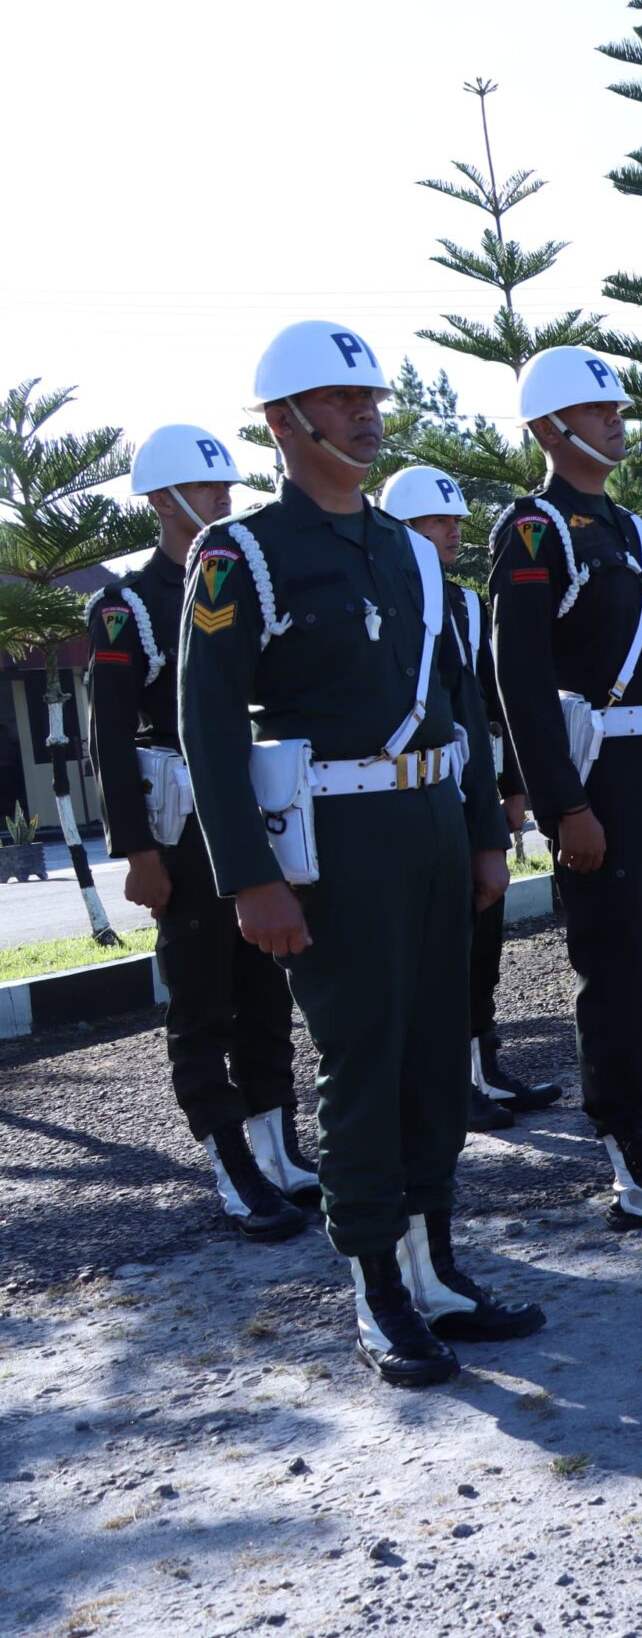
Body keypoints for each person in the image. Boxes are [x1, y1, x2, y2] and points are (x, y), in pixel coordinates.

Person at [181, 320, 534, 1387]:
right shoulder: (240, 555)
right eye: (340, 400)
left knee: (436, 1055)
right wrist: (251, 877)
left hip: (431, 831)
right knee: (365, 1063)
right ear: (286, 423)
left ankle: (437, 1271)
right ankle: (378, 1288)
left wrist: (481, 836)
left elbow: (459, 708)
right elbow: (208, 730)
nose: (366, 412)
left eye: (370, 395)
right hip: (334, 848)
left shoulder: (406, 553)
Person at [487, 345, 642, 1237]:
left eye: (617, 410)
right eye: (598, 412)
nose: (616, 422)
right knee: (615, 973)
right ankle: (630, 1163)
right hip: (599, 783)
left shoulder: (632, 529)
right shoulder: (531, 530)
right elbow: (517, 680)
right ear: (551, 427)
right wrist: (563, 805)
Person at [90, 424, 309, 1241]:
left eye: (225, 488)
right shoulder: (126, 606)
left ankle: (277, 1147)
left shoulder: (235, 582)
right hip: (178, 829)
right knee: (202, 1001)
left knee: (266, 990)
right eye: (207, 489)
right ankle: (230, 1162)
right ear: (161, 499)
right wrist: (137, 850)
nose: (224, 500)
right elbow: (109, 736)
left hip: (251, 814)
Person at [378, 467, 560, 1132]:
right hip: (413, 792)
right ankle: (449, 1079)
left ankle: (484, 1062)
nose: (452, 531)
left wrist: (512, 788)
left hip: (470, 785)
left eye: (455, 520)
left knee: (484, 937)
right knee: (439, 947)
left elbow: (492, 701)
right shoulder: (386, 595)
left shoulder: (465, 603)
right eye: (436, 522)